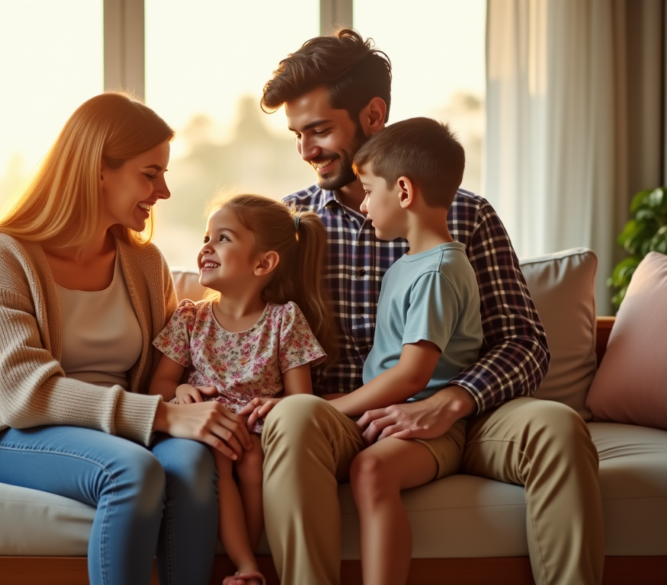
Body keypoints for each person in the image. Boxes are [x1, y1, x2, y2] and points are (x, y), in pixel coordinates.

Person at [244, 29, 604, 585]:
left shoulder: (467, 216)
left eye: (318, 130)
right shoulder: (287, 226)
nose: (306, 150)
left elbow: (525, 344)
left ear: (372, 113)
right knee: (293, 415)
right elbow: (253, 331)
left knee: (557, 426)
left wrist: (455, 401)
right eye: (297, 135)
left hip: (467, 418)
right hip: (342, 420)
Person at [0, 92, 255, 585]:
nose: (164, 192)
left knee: (194, 462)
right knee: (132, 471)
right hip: (18, 432)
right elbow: (24, 395)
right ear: (97, 170)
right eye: (150, 174)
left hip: (129, 423)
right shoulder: (2, 257)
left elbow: (168, 366)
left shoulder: (145, 263)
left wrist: (184, 393)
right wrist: (164, 414)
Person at [320, 117, 482, 584]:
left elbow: (412, 376)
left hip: (430, 426)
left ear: (405, 192)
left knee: (371, 470)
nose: (365, 205)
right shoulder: (409, 262)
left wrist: (338, 410)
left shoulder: (437, 272)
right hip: (388, 412)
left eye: (369, 191)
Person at [149, 194, 336, 585]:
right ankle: (245, 563)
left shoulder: (285, 319)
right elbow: (162, 383)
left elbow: (301, 400)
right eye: (206, 237)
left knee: (250, 463)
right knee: (220, 458)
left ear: (263, 263)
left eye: (223, 238)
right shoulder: (190, 318)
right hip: (208, 425)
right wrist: (181, 391)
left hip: (255, 427)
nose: (207, 247)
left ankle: (246, 565)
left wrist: (275, 404)